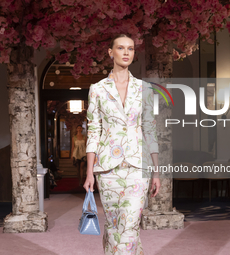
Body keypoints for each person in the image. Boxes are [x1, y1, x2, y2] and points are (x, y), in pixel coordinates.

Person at [83, 34, 160, 255]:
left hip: (139, 167)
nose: (126, 53)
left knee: (129, 226)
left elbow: (149, 130)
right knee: (116, 226)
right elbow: (94, 132)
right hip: (107, 169)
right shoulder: (97, 89)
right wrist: (90, 172)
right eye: (121, 48)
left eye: (131, 49)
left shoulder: (144, 88)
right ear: (111, 52)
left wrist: (156, 170)